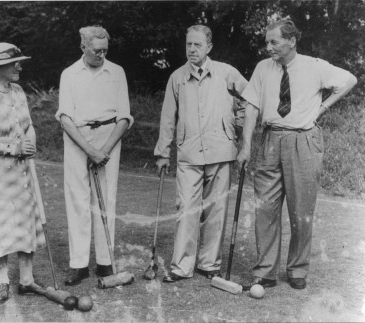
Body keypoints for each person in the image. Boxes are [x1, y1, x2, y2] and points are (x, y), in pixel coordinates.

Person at [237, 19, 357, 290]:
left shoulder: (314, 66)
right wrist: (245, 145)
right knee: (265, 208)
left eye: (274, 42)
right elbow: (252, 105)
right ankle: (265, 271)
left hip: (303, 141)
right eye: (267, 42)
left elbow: (349, 80)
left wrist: (323, 108)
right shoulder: (262, 68)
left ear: (291, 41)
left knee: (301, 209)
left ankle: (297, 269)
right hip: (269, 140)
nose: (268, 47)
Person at [154, 25, 248, 283]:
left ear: (209, 47)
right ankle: (182, 266)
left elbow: (251, 101)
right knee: (186, 208)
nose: (192, 49)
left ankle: (209, 263)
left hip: (221, 150)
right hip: (188, 153)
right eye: (188, 45)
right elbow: (167, 118)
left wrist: (236, 126)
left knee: (216, 209)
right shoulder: (177, 77)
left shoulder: (227, 73)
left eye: (197, 45)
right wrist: (163, 152)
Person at [55, 25, 133, 286]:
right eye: (96, 50)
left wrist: (104, 150)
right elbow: (65, 118)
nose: (101, 55)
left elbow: (124, 117)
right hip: (77, 139)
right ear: (83, 47)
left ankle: (105, 263)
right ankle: (78, 265)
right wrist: (89, 150)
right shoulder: (69, 74)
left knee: (106, 200)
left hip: (109, 139)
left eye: (105, 51)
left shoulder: (117, 72)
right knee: (77, 199)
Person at [0, 43, 46, 303]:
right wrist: (12, 148)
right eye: (15, 63)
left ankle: (27, 280)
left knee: (25, 220)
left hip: (22, 171)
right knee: (0, 222)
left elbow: (28, 126)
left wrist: (30, 143)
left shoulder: (19, 91)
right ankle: (3, 280)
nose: (19, 67)